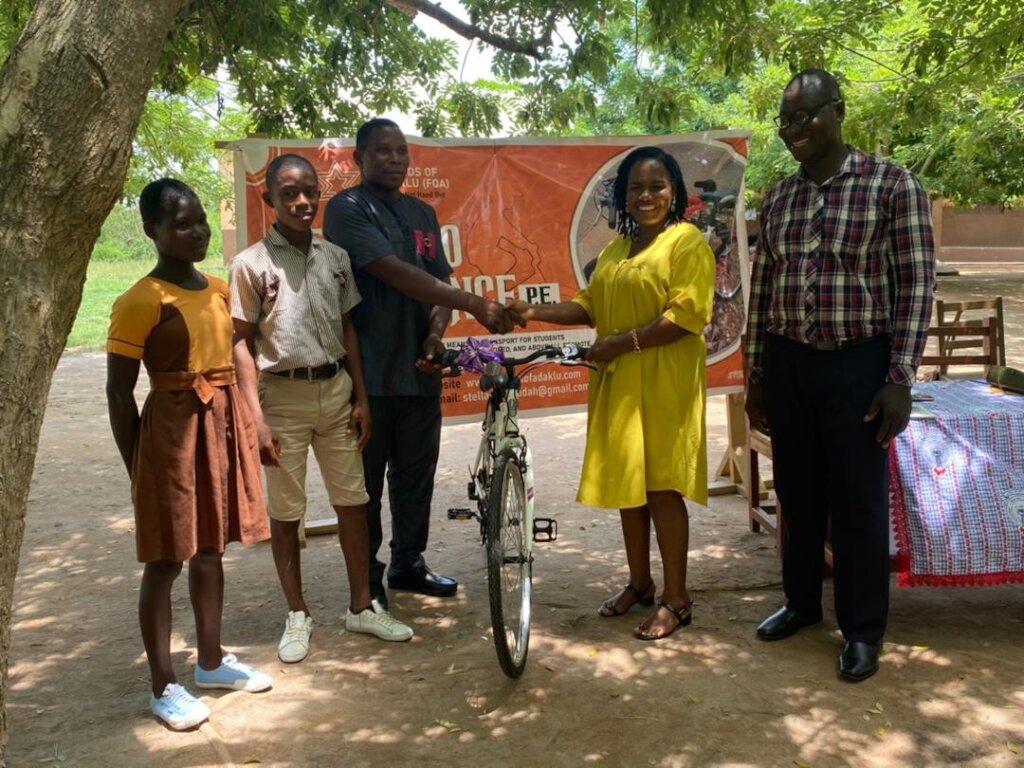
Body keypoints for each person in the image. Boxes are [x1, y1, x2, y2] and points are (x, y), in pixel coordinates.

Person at [745, 69, 935, 681]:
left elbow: (915, 284)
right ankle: (801, 603)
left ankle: (862, 630)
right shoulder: (778, 198)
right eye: (786, 121)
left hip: (860, 366)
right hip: (789, 361)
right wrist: (756, 375)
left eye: (806, 116)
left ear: (838, 111)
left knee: (857, 502)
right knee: (798, 493)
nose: (795, 129)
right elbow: (762, 292)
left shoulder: (891, 186)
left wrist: (900, 375)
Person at [510, 146, 715, 640]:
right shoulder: (615, 251)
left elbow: (686, 317)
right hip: (621, 383)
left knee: (662, 487)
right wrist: (532, 312)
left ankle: (677, 599)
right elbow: (589, 306)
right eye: (636, 188)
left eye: (657, 185)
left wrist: (620, 344)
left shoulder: (687, 243)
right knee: (631, 486)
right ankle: (640, 583)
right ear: (624, 197)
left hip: (665, 382)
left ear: (675, 192)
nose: (647, 196)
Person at [323, 118, 518, 609]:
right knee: (365, 481)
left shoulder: (422, 214)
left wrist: (436, 333)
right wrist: (475, 303)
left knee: (415, 476)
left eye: (401, 152)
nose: (393, 160)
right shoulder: (347, 209)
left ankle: (408, 563)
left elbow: (438, 287)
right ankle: (366, 579)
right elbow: (394, 273)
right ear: (358, 159)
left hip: (418, 372)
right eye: (382, 151)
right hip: (365, 374)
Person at [231, 153, 413, 665]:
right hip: (280, 397)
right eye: (289, 193)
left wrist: (361, 395)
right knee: (287, 511)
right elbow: (241, 343)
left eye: (310, 190)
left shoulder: (335, 258)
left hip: (335, 391)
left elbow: (349, 327)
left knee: (353, 501)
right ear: (269, 199)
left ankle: (361, 605)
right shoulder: (250, 265)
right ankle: (298, 614)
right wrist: (256, 418)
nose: (302, 201)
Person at [106, 179, 273, 731]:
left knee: (210, 550)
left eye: (200, 219)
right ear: (152, 231)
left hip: (219, 427)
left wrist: (249, 425)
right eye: (181, 223)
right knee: (164, 559)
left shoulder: (221, 290)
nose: (196, 230)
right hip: (171, 434)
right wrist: (139, 465)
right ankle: (162, 687)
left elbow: (237, 357)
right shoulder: (140, 301)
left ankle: (209, 661)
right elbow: (118, 392)